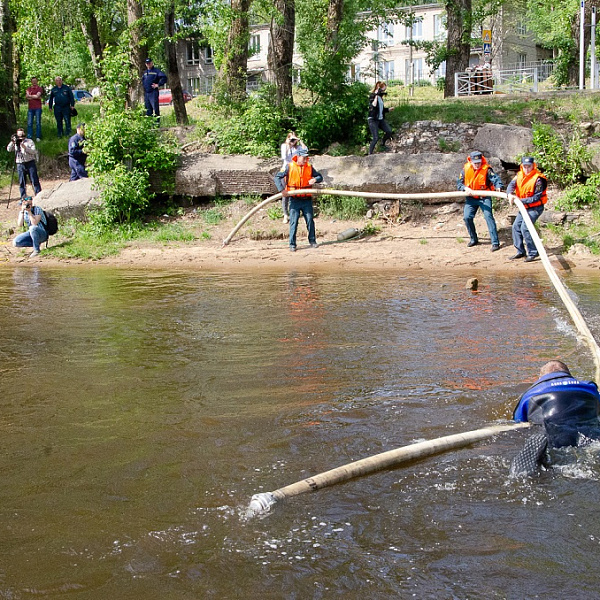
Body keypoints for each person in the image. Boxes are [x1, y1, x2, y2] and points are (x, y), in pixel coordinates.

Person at [510, 360, 600, 476]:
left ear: (540, 377)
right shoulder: (589, 387)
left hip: (554, 433)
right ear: (568, 374)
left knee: (539, 437)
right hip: (590, 432)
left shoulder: (530, 394)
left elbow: (519, 422)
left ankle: (530, 471)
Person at [274, 147, 323, 252]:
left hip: (306, 200)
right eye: (304, 157)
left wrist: (315, 179)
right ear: (298, 157)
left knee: (310, 220)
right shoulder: (289, 167)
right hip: (294, 200)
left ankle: (313, 241)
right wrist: (282, 190)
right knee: (293, 222)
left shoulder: (309, 167)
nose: (306, 159)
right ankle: (292, 244)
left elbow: (320, 177)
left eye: (306, 157)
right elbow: (277, 177)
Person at [457, 151, 503, 252]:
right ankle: (473, 239)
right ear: (471, 161)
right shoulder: (465, 169)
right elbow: (459, 184)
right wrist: (465, 188)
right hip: (471, 198)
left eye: (479, 162)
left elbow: (495, 179)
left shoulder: (487, 169)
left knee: (488, 216)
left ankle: (495, 243)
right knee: (467, 217)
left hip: (484, 197)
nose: (477, 164)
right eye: (475, 162)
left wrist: (498, 187)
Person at [506, 156, 548, 262]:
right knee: (516, 226)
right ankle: (520, 251)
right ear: (522, 166)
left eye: (529, 166)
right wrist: (510, 194)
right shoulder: (519, 175)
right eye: (524, 166)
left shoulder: (539, 179)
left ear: (533, 166)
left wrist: (519, 200)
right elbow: (511, 186)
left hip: (535, 208)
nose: (526, 169)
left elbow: (536, 197)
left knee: (525, 228)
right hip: (523, 207)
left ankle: (533, 252)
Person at [6, 128, 42, 200]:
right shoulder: (15, 143)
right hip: (20, 163)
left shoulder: (29, 141)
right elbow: (9, 149)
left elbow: (34, 151)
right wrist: (13, 141)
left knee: (34, 180)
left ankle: (38, 195)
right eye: (19, 135)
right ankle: (23, 197)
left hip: (30, 162)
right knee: (22, 182)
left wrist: (25, 147)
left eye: (22, 135)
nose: (20, 137)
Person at [280, 132, 307, 224]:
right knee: (286, 193)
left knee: (295, 193)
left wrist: (300, 141)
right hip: (286, 170)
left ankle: (294, 212)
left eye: (294, 139)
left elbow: (305, 151)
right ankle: (285, 214)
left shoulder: (298, 147)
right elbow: (284, 157)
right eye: (291, 139)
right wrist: (288, 144)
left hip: (295, 171)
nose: (293, 141)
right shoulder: (284, 146)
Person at [367, 81, 393, 155]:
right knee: (375, 137)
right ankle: (370, 153)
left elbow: (381, 109)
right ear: (378, 88)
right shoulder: (372, 95)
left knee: (388, 131)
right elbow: (373, 105)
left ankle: (382, 144)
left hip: (380, 119)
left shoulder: (381, 98)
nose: (383, 92)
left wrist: (388, 109)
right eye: (383, 90)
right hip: (373, 119)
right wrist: (376, 95)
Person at [26, 76, 44, 141]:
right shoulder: (28, 89)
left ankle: (38, 136)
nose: (34, 82)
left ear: (37, 81)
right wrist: (35, 96)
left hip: (38, 108)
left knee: (38, 122)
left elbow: (37, 96)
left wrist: (31, 96)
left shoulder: (39, 88)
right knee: (29, 123)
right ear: (31, 82)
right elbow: (27, 97)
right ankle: (29, 136)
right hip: (30, 108)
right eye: (33, 81)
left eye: (35, 81)